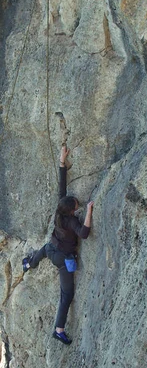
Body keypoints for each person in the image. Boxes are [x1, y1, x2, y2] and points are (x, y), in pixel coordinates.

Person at [22, 145, 94, 345]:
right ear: (72, 210)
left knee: (43, 250)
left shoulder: (59, 210)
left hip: (50, 248)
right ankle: (59, 330)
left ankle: (28, 264)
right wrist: (89, 211)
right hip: (62, 259)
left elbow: (62, 187)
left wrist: (62, 161)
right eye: (77, 205)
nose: (77, 204)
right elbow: (85, 233)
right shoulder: (72, 221)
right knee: (67, 294)